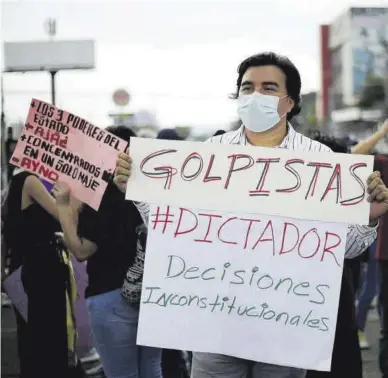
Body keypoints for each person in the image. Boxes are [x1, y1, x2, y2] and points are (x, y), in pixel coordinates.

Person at [114, 52, 388, 378]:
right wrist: (138, 192)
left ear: (291, 102)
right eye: (247, 88)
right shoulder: (210, 155)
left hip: (285, 329)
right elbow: (174, 229)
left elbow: (344, 249)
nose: (255, 96)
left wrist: (368, 217)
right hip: (216, 328)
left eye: (268, 88)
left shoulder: (320, 161)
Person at [55, 125, 163, 378]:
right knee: (152, 370)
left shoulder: (103, 199)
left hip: (111, 297)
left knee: (122, 374)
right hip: (154, 297)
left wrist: (63, 207)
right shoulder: (154, 194)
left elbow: (81, 250)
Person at [2, 168, 84, 378]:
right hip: (42, 272)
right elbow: (64, 217)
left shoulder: (15, 184)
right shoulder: (31, 181)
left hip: (23, 271)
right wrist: (75, 198)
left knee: (33, 342)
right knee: (48, 341)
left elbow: (6, 233)